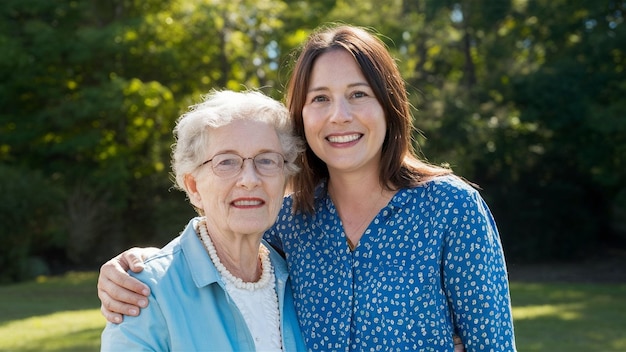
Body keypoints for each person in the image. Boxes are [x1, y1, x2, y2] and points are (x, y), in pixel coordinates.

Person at [98, 25, 516, 351]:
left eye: (358, 94)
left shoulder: (451, 209)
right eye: (320, 99)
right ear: (301, 116)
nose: (340, 115)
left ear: (389, 106)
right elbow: (221, 244)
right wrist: (139, 263)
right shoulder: (287, 221)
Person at [100, 89, 307, 351]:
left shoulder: (297, 277)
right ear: (194, 187)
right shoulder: (146, 292)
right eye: (227, 162)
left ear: (284, 179)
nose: (250, 179)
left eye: (267, 160)